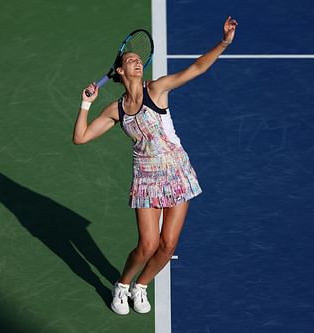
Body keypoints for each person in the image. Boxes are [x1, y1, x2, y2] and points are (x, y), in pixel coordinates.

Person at [73, 16, 238, 315]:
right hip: (147, 178)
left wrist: (223, 43)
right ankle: (122, 285)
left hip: (177, 172)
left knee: (168, 245)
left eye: (139, 60)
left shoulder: (157, 90)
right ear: (120, 71)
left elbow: (196, 68)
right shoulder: (115, 110)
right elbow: (81, 137)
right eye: (131, 60)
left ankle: (141, 286)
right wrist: (86, 104)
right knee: (147, 245)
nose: (137, 62)